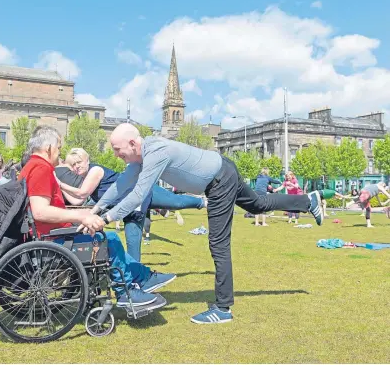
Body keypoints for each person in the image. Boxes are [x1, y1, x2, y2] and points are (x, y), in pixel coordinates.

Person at [88, 123, 325, 324]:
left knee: (218, 244)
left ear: (132, 143)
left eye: (118, 150)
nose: (117, 155)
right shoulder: (140, 157)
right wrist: (95, 209)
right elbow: (120, 186)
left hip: (219, 180)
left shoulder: (155, 151)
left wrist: (106, 218)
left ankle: (222, 309)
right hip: (223, 170)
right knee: (257, 205)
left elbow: (138, 194)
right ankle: (307, 201)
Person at [20, 126, 176, 307]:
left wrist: (80, 214)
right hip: (55, 241)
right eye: (59, 148)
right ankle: (127, 289)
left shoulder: (32, 167)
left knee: (106, 236)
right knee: (109, 239)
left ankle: (143, 277)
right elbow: (40, 211)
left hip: (53, 236)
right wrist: (81, 217)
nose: (59, 154)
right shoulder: (41, 169)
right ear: (48, 148)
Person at [56, 147, 206, 261]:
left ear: (87, 160)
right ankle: (136, 283)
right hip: (132, 209)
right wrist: (57, 187)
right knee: (133, 245)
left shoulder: (95, 170)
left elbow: (81, 193)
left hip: (145, 191)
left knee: (177, 202)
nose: (77, 166)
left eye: (79, 162)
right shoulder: (86, 180)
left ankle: (203, 202)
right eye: (73, 165)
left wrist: (60, 184)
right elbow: (78, 201)